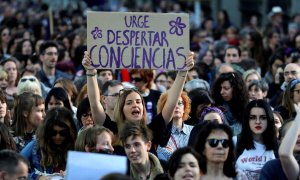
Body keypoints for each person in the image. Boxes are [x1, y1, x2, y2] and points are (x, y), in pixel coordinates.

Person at [21, 107, 77, 180]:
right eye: (53, 133)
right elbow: (14, 169)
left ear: (69, 132)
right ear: (46, 132)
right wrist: (38, 177)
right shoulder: (35, 146)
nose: (58, 137)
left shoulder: (76, 146)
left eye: (63, 133)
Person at [235, 100, 277, 179]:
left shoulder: (277, 146)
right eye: (252, 118)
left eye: (263, 118)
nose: (258, 122)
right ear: (247, 120)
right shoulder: (235, 141)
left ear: (269, 120)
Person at [278, 103, 300, 180]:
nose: (298, 136)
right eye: (293, 132)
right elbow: (285, 154)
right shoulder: (272, 166)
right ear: (282, 140)